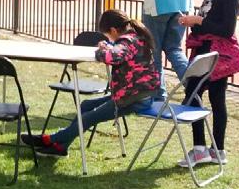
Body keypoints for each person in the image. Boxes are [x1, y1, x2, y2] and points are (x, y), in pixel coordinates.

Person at [22, 9, 159, 157]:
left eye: (108, 35)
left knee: (89, 118)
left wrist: (103, 47)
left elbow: (111, 56)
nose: (109, 39)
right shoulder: (135, 36)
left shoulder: (127, 41)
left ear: (113, 30)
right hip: (135, 93)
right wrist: (109, 46)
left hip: (135, 98)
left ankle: (51, 139)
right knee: (86, 106)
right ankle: (60, 147)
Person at [176, 0, 239, 168]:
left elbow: (225, 29)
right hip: (203, 51)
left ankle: (207, 150)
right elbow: (207, 20)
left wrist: (198, 21)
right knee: (201, 96)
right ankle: (212, 150)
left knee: (198, 95)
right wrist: (192, 21)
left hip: (216, 56)